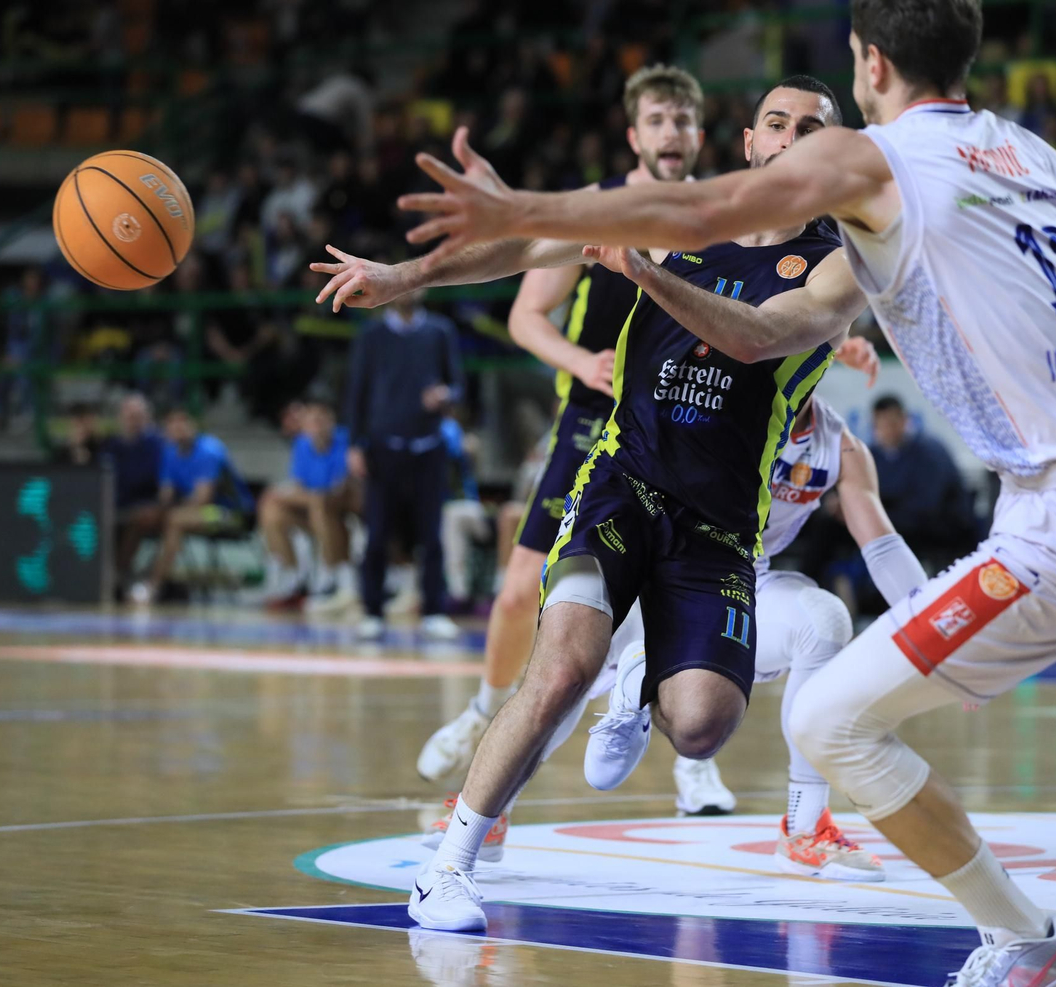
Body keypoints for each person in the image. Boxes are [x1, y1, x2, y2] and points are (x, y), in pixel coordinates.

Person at [381, 0, 1056, 986]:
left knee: (829, 720)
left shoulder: (873, 164)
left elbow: (695, 222)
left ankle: (1029, 940)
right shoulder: (1030, 149)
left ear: (869, 62)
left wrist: (522, 208)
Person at [316, 75, 862, 933]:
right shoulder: (677, 211)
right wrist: (403, 273)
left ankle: (642, 677)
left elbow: (758, 337)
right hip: (621, 483)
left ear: (835, 156)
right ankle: (449, 865)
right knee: (563, 665)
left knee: (702, 726)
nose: (791, 137)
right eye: (775, 122)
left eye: (813, 129)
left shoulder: (842, 262)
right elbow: (532, 246)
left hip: (719, 526)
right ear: (750, 143)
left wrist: (645, 274)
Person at [420, 391, 926, 882]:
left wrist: (937, 638)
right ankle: (489, 813)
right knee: (565, 670)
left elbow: (882, 547)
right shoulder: (718, 396)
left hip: (736, 576)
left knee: (824, 620)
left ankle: (804, 826)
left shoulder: (837, 444)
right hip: (653, 561)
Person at [411, 65, 718, 803]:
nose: (670, 133)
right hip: (593, 416)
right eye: (657, 120)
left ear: (700, 134)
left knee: (674, 592)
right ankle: (484, 712)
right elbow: (524, 315)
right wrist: (582, 360)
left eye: (682, 119)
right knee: (522, 591)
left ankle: (694, 758)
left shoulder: (723, 213)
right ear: (633, 135)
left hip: (682, 417)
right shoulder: (592, 207)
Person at [341, 290, 465, 639]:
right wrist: (354, 444)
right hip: (383, 447)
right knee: (377, 532)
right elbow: (356, 392)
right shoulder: (371, 335)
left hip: (429, 446)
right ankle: (373, 610)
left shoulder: (440, 331)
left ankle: (434, 611)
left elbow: (458, 385)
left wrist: (445, 396)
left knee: (431, 534)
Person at [129, 408, 254, 606]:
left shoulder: (209, 450)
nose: (178, 428)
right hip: (192, 512)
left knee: (175, 520)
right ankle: (120, 579)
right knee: (143, 516)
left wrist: (169, 510)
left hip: (229, 515)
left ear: (193, 425)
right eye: (172, 423)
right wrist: (157, 511)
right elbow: (166, 495)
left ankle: (153, 586)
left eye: (182, 422)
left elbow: (202, 499)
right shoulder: (170, 453)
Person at [256, 399, 356, 609]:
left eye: (322, 420)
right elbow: (299, 486)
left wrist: (291, 496)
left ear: (332, 421)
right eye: (312, 421)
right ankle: (292, 577)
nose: (317, 426)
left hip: (343, 507)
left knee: (320, 505)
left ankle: (333, 578)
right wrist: (289, 496)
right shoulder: (301, 444)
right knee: (271, 509)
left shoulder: (346, 440)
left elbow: (338, 490)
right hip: (314, 509)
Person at [868, 394, 981, 566]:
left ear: (905, 420)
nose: (887, 430)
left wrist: (879, 515)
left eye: (892, 423)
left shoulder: (929, 451)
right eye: (881, 425)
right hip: (904, 524)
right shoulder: (873, 454)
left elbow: (926, 507)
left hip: (942, 528)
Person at [103, 393, 165, 593]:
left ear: (147, 418)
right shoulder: (112, 445)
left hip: (145, 504)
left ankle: (116, 575)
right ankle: (96, 574)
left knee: (140, 517)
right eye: (130, 415)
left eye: (138, 415)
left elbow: (156, 481)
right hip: (113, 505)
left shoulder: (157, 445)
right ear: (121, 417)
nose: (134, 420)